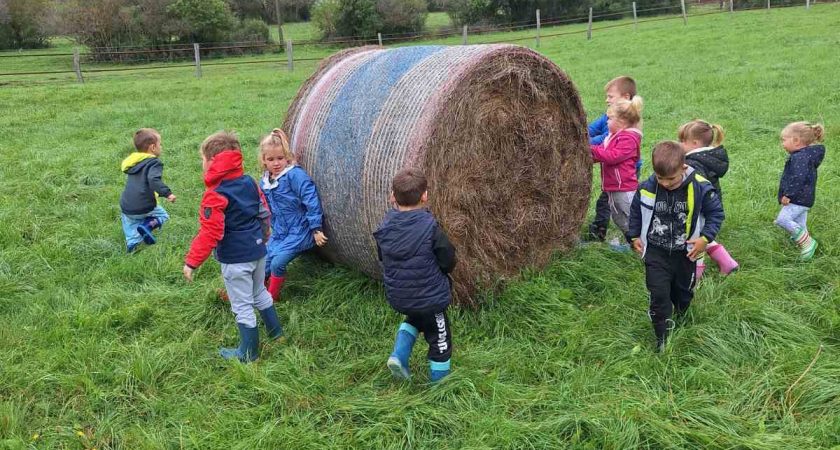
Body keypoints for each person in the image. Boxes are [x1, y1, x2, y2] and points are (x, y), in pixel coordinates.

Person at [183, 131, 282, 362]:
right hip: (258, 252)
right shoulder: (249, 181)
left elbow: (210, 232)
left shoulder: (215, 195)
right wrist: (264, 238)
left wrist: (192, 262)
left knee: (242, 305)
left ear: (211, 162)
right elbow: (263, 212)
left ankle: (248, 353)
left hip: (236, 259)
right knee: (260, 292)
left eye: (202, 160)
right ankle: (277, 333)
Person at [627, 141, 724, 351]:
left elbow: (716, 213)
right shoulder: (646, 187)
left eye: (670, 179)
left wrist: (705, 238)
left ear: (683, 167)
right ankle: (662, 336)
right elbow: (636, 211)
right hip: (656, 252)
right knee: (659, 294)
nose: (665, 183)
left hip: (686, 253)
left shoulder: (700, 186)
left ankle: (682, 313)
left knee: (682, 293)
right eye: (660, 178)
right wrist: (633, 235)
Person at [373, 168, 456, 382]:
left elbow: (383, 258)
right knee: (440, 337)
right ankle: (440, 384)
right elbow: (447, 260)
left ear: (392, 196)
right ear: (425, 196)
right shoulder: (431, 229)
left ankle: (399, 355)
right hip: (430, 297)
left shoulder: (384, 228)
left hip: (399, 296)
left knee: (416, 316)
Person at [259, 128, 327, 302]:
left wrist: (316, 228)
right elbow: (263, 207)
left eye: (280, 158)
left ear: (287, 157)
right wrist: (263, 229)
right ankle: (251, 293)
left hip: (300, 231)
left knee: (277, 263)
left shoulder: (294, 175)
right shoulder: (266, 181)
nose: (276, 163)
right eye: (271, 159)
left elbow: (310, 198)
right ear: (264, 161)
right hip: (280, 232)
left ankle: (271, 298)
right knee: (262, 263)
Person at [678, 120, 738, 279]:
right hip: (710, 206)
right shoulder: (708, 158)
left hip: (700, 209)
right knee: (703, 237)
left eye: (682, 141)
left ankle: (693, 278)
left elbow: (696, 189)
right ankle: (727, 263)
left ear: (695, 143)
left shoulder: (693, 163)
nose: (680, 144)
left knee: (695, 241)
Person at [587, 76, 642, 241]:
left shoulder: (627, 136)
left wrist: (587, 149)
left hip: (623, 183)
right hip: (613, 182)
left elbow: (611, 153)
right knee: (618, 216)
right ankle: (633, 241)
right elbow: (594, 131)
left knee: (627, 213)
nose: (606, 100)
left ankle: (643, 242)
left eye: (610, 96)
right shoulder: (616, 123)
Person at [774, 121, 825, 261]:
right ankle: (806, 248)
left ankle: (808, 242)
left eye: (784, 140)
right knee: (800, 224)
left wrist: (788, 194)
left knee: (782, 220)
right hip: (805, 197)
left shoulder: (800, 157)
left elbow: (798, 178)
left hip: (798, 198)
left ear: (796, 141)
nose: (782, 144)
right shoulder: (806, 155)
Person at [119, 128, 176, 253]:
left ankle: (132, 244)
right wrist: (167, 193)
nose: (161, 146)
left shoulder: (132, 163)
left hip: (126, 206)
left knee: (129, 221)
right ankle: (147, 225)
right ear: (153, 147)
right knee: (163, 216)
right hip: (145, 205)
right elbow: (153, 180)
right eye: (160, 144)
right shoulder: (154, 163)